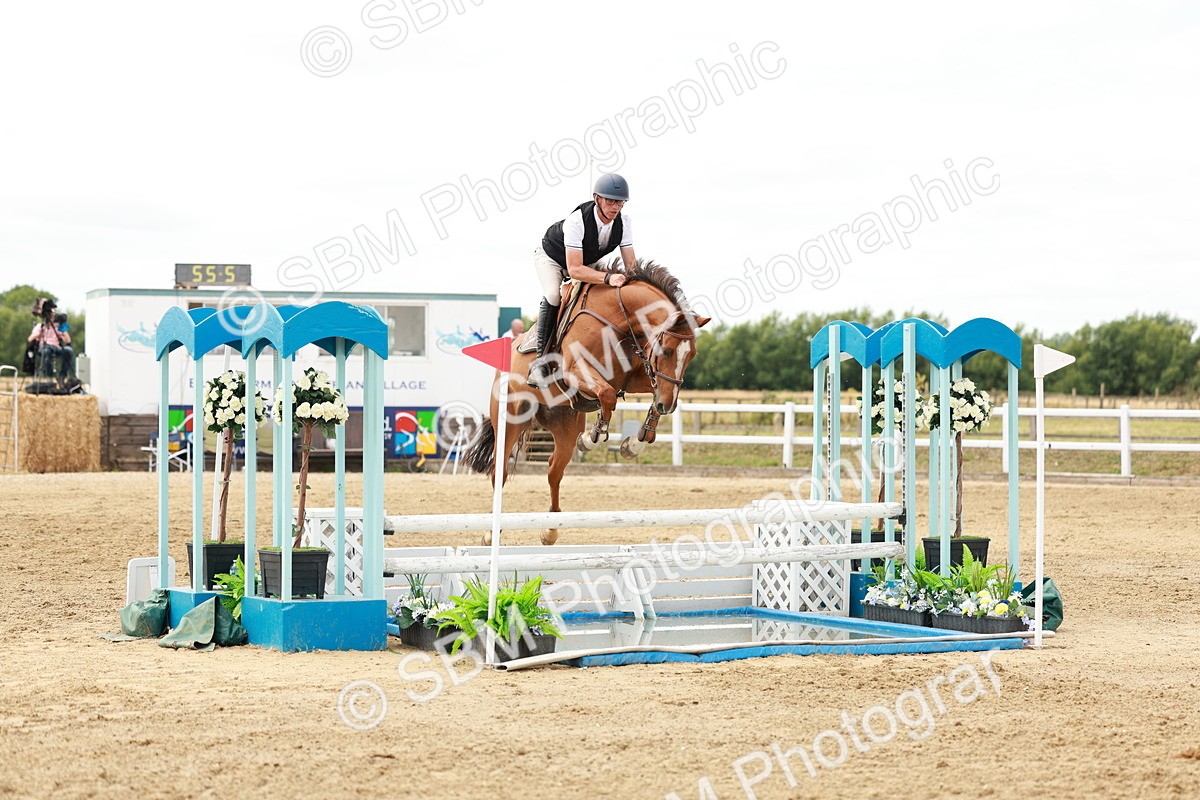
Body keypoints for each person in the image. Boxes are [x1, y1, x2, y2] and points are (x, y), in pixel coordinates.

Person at [528, 173, 637, 387]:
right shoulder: (577, 221)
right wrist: (607, 277)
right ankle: (540, 363)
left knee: (609, 292)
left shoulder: (624, 222)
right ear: (597, 199)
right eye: (610, 201)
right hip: (552, 258)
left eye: (620, 202)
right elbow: (575, 269)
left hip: (585, 261)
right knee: (553, 294)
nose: (615, 207)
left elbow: (631, 265)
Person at [28, 313, 73, 380]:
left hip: (56, 347)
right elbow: (30, 339)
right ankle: (49, 377)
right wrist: (40, 332)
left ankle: (62, 376)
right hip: (43, 347)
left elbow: (68, 341)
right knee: (47, 350)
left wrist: (63, 327)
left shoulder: (58, 327)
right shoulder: (40, 326)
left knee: (69, 350)